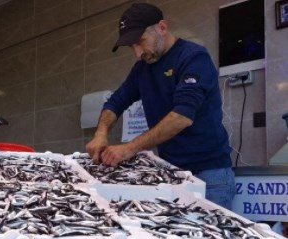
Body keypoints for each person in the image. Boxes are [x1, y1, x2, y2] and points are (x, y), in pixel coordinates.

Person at [86, 3, 235, 209]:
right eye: (132, 47)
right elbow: (116, 101)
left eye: (141, 42)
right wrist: (101, 133)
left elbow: (182, 116)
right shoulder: (142, 69)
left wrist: (129, 148)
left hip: (210, 175)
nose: (138, 53)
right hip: (172, 173)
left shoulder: (193, 58)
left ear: (162, 28)